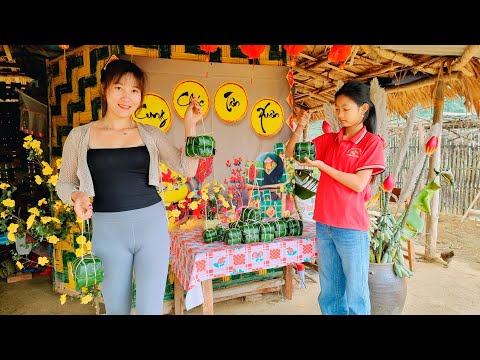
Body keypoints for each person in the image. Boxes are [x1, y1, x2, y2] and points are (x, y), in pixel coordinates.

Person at [56, 58, 203, 315]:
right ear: (105, 89)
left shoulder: (151, 134)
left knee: (150, 310)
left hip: (152, 227)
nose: (127, 97)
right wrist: (76, 195)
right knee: (115, 309)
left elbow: (187, 168)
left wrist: (190, 127)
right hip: (108, 231)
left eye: (135, 90)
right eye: (119, 88)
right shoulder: (80, 136)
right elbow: (65, 182)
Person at [285, 80, 385, 315]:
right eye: (337, 108)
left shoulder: (372, 143)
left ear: (363, 110)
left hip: (351, 228)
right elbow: (291, 153)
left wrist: (322, 166)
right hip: (324, 225)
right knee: (330, 292)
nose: (339, 114)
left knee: (356, 294)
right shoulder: (329, 140)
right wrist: (299, 127)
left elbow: (359, 183)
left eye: (346, 108)